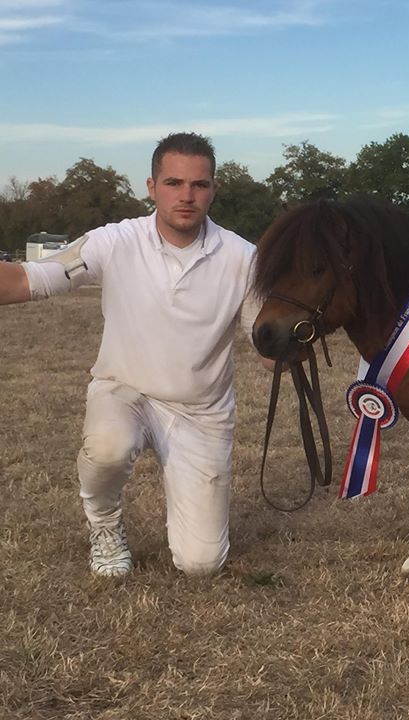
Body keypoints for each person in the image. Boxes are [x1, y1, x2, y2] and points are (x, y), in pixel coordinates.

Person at [0, 132, 266, 577]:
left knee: (201, 564)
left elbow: (269, 349)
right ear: (151, 186)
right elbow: (30, 280)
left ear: (214, 189)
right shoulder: (115, 240)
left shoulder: (244, 257)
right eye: (174, 183)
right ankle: (104, 525)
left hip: (201, 412)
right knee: (108, 447)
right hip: (124, 391)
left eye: (199, 185)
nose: (187, 196)